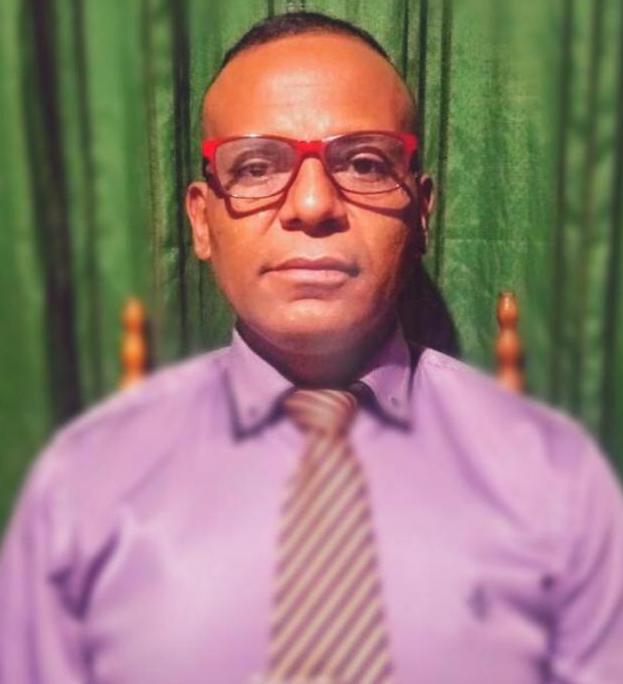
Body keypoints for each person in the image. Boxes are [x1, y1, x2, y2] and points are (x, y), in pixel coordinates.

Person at [1, 11, 622, 684]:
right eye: (256, 166)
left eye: (364, 163)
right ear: (202, 221)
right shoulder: (83, 484)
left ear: (421, 212)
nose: (312, 204)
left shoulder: (553, 478)